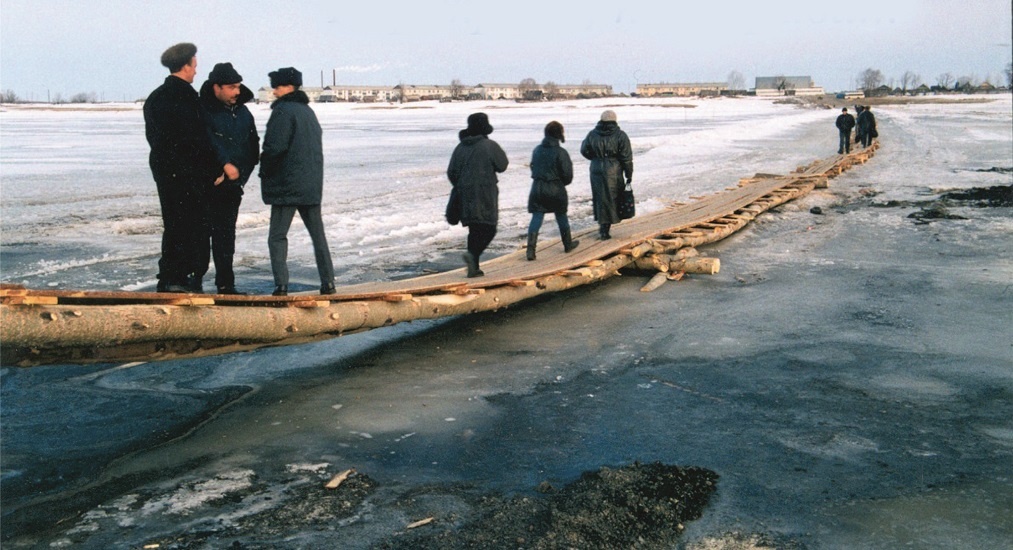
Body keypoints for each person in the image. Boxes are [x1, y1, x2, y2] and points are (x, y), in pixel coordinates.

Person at [143, 42, 224, 293]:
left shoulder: (155, 97)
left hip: (165, 170)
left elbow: (154, 137)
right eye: (195, 66)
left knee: (174, 223)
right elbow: (198, 140)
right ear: (186, 65)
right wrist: (214, 170)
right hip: (189, 172)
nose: (196, 71)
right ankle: (183, 277)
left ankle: (170, 275)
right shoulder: (188, 98)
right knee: (193, 225)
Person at [259, 67, 335, 296]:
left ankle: (281, 286)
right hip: (310, 184)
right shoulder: (308, 112)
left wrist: (265, 170)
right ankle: (328, 283)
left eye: (277, 86)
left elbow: (274, 147)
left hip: (287, 185)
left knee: (277, 237)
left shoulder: (283, 111)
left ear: (288, 87)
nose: (274, 91)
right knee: (318, 236)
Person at [198, 62, 260, 295]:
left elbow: (252, 150)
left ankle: (226, 284)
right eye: (232, 87)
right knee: (201, 237)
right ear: (217, 87)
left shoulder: (243, 113)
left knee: (226, 238)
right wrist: (220, 169)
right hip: (207, 184)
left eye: (238, 86)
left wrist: (239, 177)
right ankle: (195, 283)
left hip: (232, 187)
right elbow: (204, 143)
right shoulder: (202, 110)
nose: (237, 91)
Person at [447, 112, 509, 277]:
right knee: (489, 228)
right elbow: (502, 165)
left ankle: (473, 268)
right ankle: (472, 256)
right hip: (485, 194)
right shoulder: (489, 145)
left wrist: (463, 186)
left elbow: (451, 172)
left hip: (464, 196)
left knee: (474, 230)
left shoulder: (459, 147)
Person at [526, 121, 578, 261]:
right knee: (561, 215)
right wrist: (559, 183)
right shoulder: (561, 152)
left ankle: (530, 251)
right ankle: (568, 244)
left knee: (537, 217)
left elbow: (533, 167)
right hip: (556, 188)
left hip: (537, 187)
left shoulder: (537, 150)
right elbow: (567, 175)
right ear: (559, 134)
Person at [580, 110, 633, 240]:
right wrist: (628, 173)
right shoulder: (620, 135)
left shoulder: (592, 134)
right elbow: (626, 157)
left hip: (596, 169)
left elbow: (584, 150)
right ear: (615, 120)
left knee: (600, 198)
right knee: (612, 198)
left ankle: (603, 226)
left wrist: (595, 158)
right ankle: (605, 229)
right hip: (613, 169)